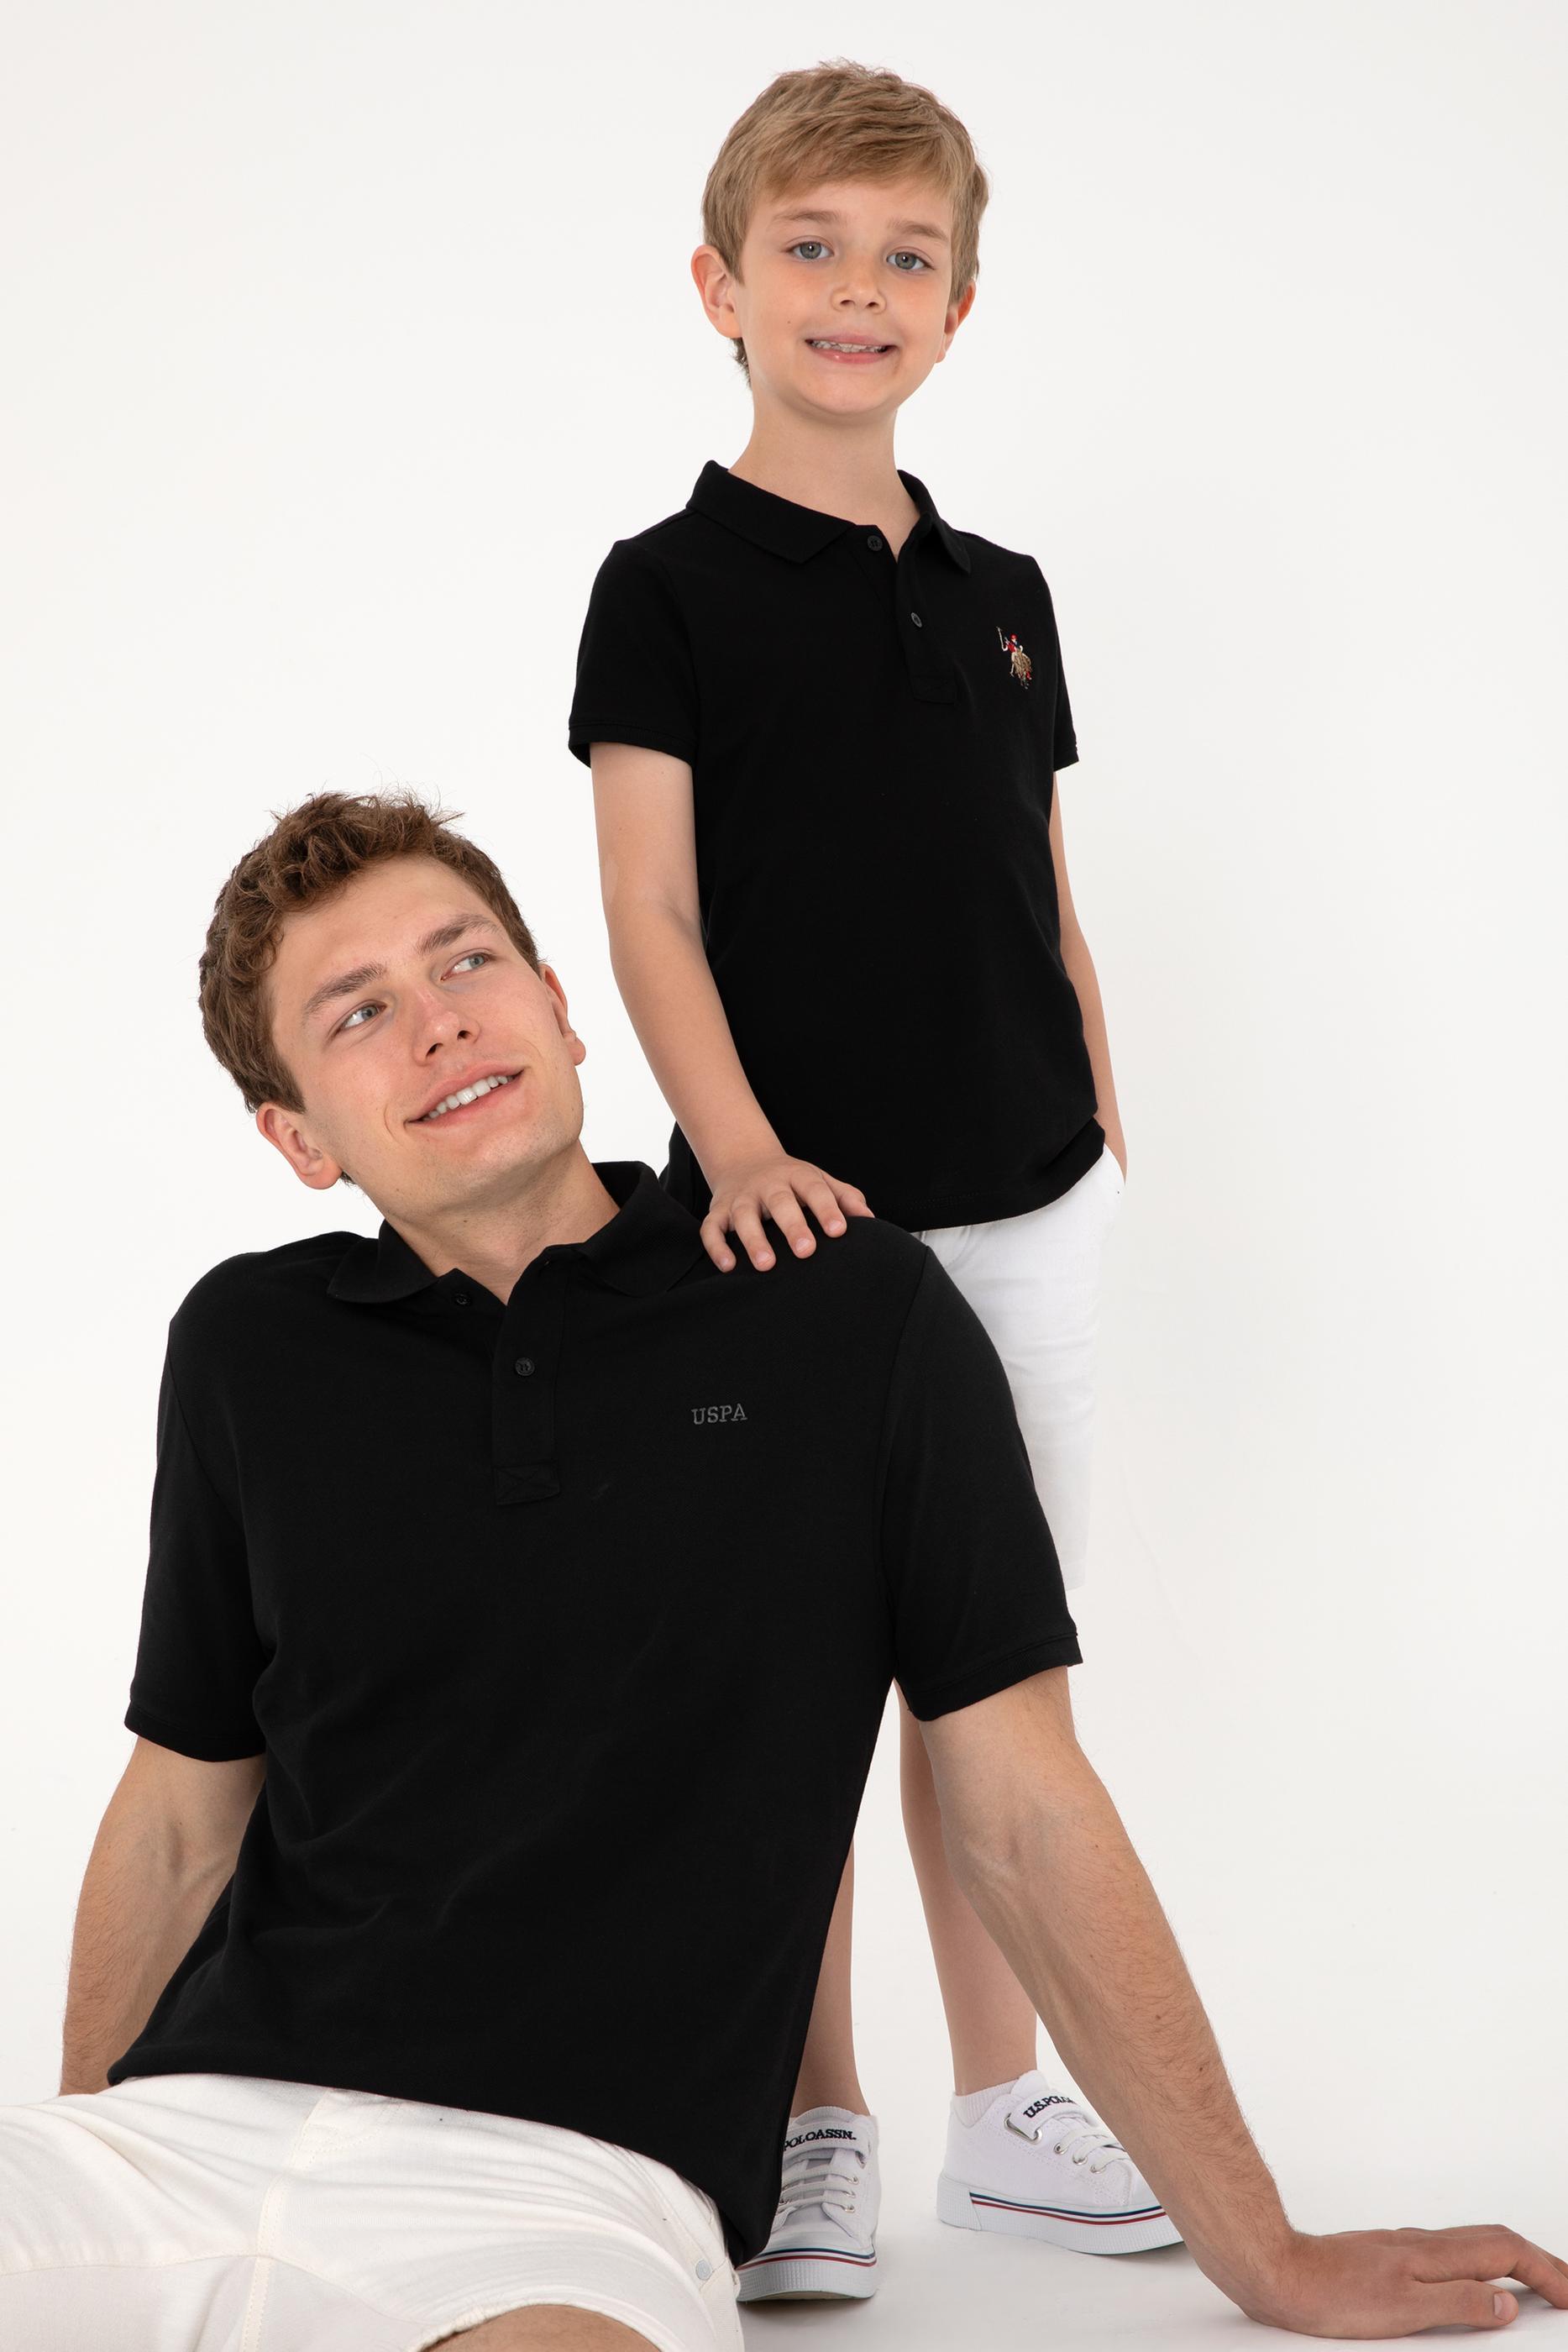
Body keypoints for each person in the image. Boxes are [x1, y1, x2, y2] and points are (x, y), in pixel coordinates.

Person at [3, 790, 1560, 2352]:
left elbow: (1022, 1814)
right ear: (297, 1138)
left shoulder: (850, 1315)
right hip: (188, 2126)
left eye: (465, 960)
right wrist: (95, 2177)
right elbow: (179, 1818)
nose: (440, 1022)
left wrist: (1266, 2253)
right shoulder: (251, 1349)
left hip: (567, 2189)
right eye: (359, 1011)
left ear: (561, 1008)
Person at [567, 57, 1133, 2292]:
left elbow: (1035, 878)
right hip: (794, 1233)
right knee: (799, 1680)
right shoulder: (664, 591)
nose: (856, 287)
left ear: (957, 310)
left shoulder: (1005, 590)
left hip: (1035, 1208)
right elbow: (645, 907)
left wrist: (1102, 1113)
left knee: (992, 1682)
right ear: (719, 285)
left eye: (906, 257)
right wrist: (736, 1152)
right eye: (809, 246)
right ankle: (815, 2124)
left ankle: (1006, 2111)